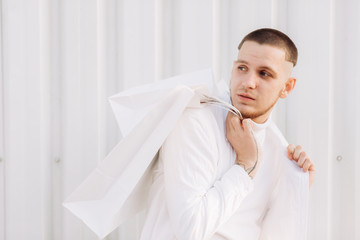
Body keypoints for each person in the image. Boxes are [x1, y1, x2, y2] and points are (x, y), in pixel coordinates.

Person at [140, 28, 315, 240]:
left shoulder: (278, 148)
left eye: (264, 73)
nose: (248, 82)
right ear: (233, 69)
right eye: (243, 68)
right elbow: (190, 229)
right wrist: (246, 166)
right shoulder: (195, 120)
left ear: (287, 87)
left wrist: (296, 186)